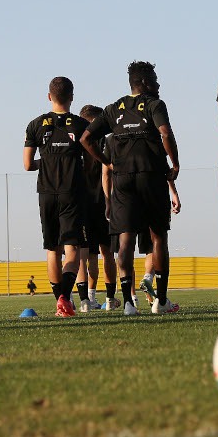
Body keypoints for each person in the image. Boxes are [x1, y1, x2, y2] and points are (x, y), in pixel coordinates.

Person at [82, 62, 181, 316]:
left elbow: (86, 139)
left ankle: (127, 303)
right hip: (151, 176)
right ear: (146, 83)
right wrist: (175, 163)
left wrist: (107, 163)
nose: (158, 84)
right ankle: (160, 301)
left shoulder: (113, 109)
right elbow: (165, 133)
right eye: (155, 80)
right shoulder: (154, 104)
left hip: (123, 180)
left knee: (125, 239)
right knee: (159, 236)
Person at [24, 77, 90, 318]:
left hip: (46, 193)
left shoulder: (34, 125)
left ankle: (61, 303)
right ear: (72, 96)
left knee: (52, 249)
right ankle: (64, 297)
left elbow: (27, 164)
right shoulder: (82, 124)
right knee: (72, 250)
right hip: (72, 192)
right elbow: (91, 158)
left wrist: (48, 160)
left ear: (49, 96)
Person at [79, 104, 119, 310]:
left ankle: (88, 300)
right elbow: (108, 173)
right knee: (106, 252)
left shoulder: (79, 142)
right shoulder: (108, 140)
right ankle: (110, 298)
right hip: (103, 203)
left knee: (86, 254)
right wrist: (109, 200)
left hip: (83, 204)